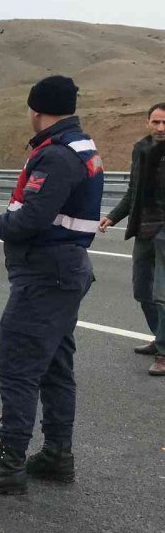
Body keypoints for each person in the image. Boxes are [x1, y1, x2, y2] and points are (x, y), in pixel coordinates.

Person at [0, 76, 104, 494]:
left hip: (47, 273)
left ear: (36, 110)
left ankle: (10, 463)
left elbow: (31, 219)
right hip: (64, 268)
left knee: (19, 368)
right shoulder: (80, 146)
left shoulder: (56, 156)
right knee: (55, 365)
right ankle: (58, 454)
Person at [99, 103, 165, 375]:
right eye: (156, 122)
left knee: (162, 294)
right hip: (144, 228)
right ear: (147, 122)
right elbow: (133, 191)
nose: (160, 128)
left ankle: (163, 350)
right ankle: (159, 336)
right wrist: (113, 216)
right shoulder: (141, 149)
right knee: (142, 291)